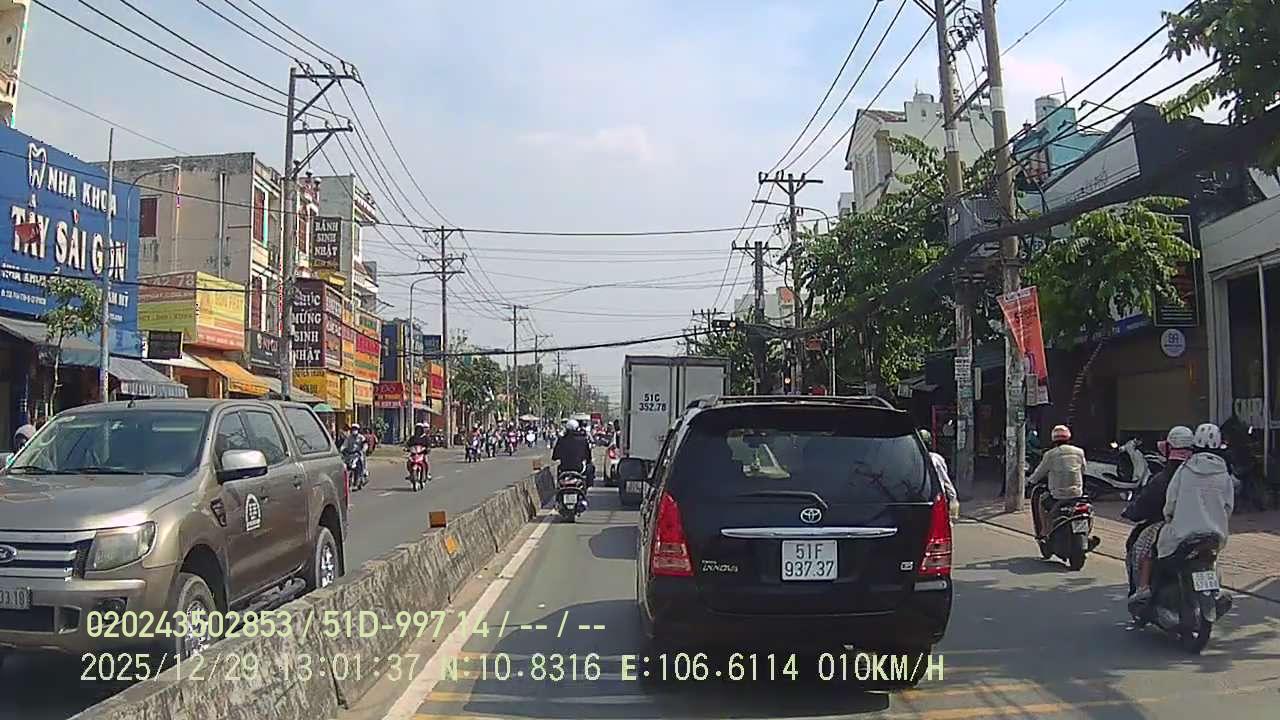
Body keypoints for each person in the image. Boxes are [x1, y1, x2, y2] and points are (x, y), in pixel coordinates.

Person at [1130, 423, 1234, 606]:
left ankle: (1144, 588)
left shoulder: (1185, 470)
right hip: (1215, 534)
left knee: (1151, 548)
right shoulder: (1224, 474)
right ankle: (1215, 590)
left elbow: (1171, 501)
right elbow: (1228, 506)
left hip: (1182, 533)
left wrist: (1169, 517)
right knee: (1212, 559)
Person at [1122, 426, 1193, 594]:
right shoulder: (1204, 475)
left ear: (1169, 448)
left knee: (1141, 548)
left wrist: (1131, 511)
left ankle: (1142, 590)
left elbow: (1145, 504)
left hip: (1166, 525)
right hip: (1202, 526)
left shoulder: (1163, 479)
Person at [1026, 424, 1085, 539]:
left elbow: (1039, 473)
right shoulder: (1079, 452)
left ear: (1053, 439)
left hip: (1058, 496)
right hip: (1077, 494)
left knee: (1042, 502)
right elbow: (1083, 470)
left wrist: (1030, 481)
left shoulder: (1050, 454)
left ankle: (1045, 531)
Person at [920, 430, 959, 520]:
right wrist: (953, 497)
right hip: (936, 499)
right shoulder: (936, 458)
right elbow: (945, 480)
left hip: (920, 500)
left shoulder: (911, 460)